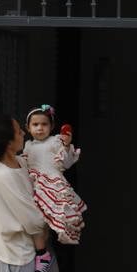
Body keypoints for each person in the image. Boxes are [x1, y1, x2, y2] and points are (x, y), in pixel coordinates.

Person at [0, 115, 60, 272]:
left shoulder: (20, 162)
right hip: (18, 256)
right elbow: (33, 220)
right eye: (18, 131)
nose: (23, 133)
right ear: (8, 143)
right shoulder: (4, 175)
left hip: (38, 246)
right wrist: (55, 215)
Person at [23, 105, 86, 246]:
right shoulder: (27, 145)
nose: (40, 128)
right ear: (27, 128)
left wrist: (66, 145)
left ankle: (43, 252)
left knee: (48, 222)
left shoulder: (55, 141)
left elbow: (67, 163)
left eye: (44, 124)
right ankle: (39, 250)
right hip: (33, 186)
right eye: (35, 124)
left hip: (52, 185)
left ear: (52, 127)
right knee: (35, 221)